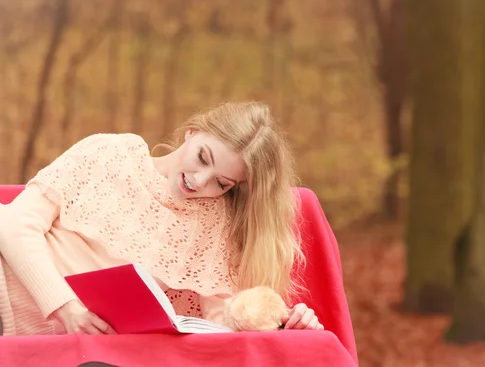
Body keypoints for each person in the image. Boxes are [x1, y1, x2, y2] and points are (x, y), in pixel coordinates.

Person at [0, 101, 323, 335]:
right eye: (202, 158)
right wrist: (66, 308)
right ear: (192, 132)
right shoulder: (109, 153)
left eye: (221, 183)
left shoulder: (215, 225)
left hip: (69, 343)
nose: (199, 181)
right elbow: (13, 224)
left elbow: (225, 321)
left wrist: (290, 320)